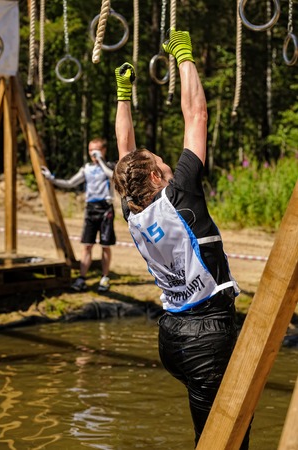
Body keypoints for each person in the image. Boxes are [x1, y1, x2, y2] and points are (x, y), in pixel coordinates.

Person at [113, 29, 251, 448]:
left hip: (173, 336)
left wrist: (124, 94)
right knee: (225, 439)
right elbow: (196, 115)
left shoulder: (133, 211)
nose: (169, 164)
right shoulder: (180, 197)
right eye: (161, 162)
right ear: (157, 176)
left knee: (224, 431)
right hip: (206, 336)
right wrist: (184, 56)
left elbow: (125, 154)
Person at [41, 137, 116, 293]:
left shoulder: (109, 166)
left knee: (105, 245)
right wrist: (51, 178)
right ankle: (81, 278)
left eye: (96, 150)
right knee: (87, 245)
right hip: (90, 209)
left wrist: (100, 160)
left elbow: (113, 176)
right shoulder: (86, 168)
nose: (92, 153)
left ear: (103, 150)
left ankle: (105, 277)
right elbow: (70, 183)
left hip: (106, 209)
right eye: (90, 150)